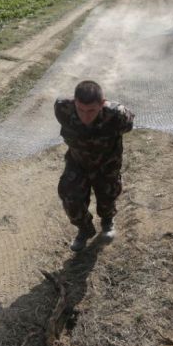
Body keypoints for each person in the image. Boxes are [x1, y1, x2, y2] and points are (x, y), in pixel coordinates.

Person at [55, 81, 135, 252]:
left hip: (106, 164)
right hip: (78, 162)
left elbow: (128, 126)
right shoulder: (63, 108)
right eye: (81, 110)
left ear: (102, 103)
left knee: (107, 196)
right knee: (69, 195)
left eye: (91, 110)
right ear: (74, 102)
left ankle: (107, 220)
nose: (85, 116)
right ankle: (84, 230)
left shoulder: (117, 115)